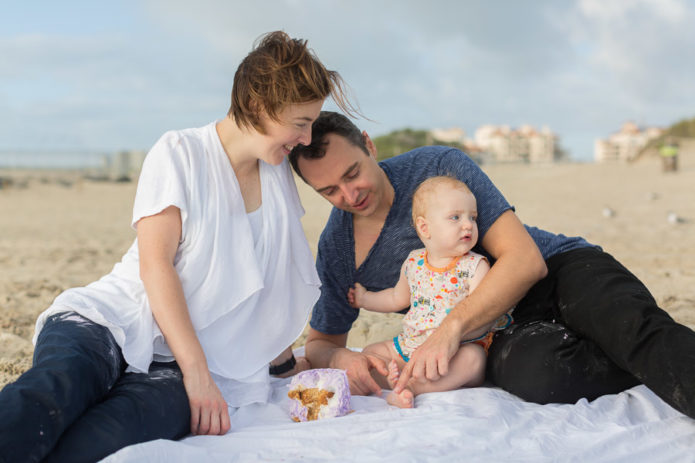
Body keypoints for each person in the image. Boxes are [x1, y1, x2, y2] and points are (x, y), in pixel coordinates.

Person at [0, 32, 355, 463]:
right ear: (261, 106)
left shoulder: (276, 174)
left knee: (113, 433)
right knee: (52, 393)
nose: (305, 137)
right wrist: (198, 374)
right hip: (110, 322)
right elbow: (156, 267)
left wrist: (282, 367)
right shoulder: (180, 152)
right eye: (301, 123)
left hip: (177, 365)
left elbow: (264, 285)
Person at [288, 111, 695, 419]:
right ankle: (642, 360)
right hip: (495, 333)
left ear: (368, 145)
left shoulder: (436, 166)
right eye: (329, 191)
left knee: (630, 329)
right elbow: (322, 342)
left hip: (557, 270)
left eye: (352, 173)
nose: (349, 194)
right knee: (539, 376)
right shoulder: (338, 248)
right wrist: (343, 359)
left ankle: (648, 350)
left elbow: (524, 261)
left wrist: (449, 329)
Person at [347, 176, 512, 408]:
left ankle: (412, 387)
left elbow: (484, 313)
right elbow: (396, 297)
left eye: (472, 217)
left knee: (473, 360)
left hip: (455, 351)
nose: (468, 225)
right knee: (372, 352)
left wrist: (453, 339)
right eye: (455, 217)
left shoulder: (475, 266)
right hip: (409, 346)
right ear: (425, 228)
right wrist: (365, 299)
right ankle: (391, 378)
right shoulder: (414, 262)